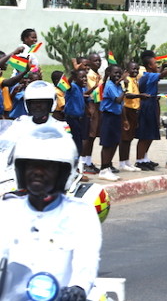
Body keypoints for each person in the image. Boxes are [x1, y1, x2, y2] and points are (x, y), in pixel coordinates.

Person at [0, 126, 101, 300]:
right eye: (31, 165)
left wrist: (79, 287)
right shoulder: (7, 209)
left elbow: (87, 259)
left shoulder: (81, 213)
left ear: (62, 173)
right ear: (21, 169)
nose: (38, 172)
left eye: (47, 167)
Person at [134, 52, 167, 171]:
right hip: (147, 105)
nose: (156, 65)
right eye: (154, 63)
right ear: (149, 65)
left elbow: (158, 74)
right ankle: (139, 160)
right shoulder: (147, 75)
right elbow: (161, 76)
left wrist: (163, 66)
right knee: (144, 134)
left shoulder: (151, 75)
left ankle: (145, 158)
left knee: (150, 134)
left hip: (152, 104)